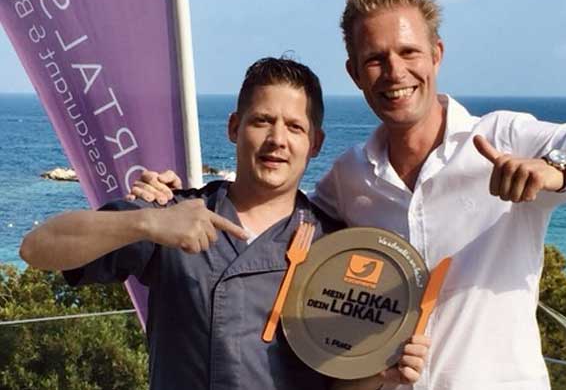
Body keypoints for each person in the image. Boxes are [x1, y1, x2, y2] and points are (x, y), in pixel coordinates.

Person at [129, 0, 566, 390]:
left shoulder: (508, 138)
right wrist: (172, 198)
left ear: (436, 55)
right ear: (354, 73)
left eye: (408, 52)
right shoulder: (349, 177)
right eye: (375, 59)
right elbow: (272, 211)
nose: (395, 72)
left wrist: (557, 168)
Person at [20, 57, 429, 390]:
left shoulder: (333, 248)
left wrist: (380, 372)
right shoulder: (174, 215)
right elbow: (37, 248)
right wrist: (145, 222)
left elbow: (338, 382)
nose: (277, 139)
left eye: (295, 127)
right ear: (235, 127)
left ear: (315, 144)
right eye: (262, 121)